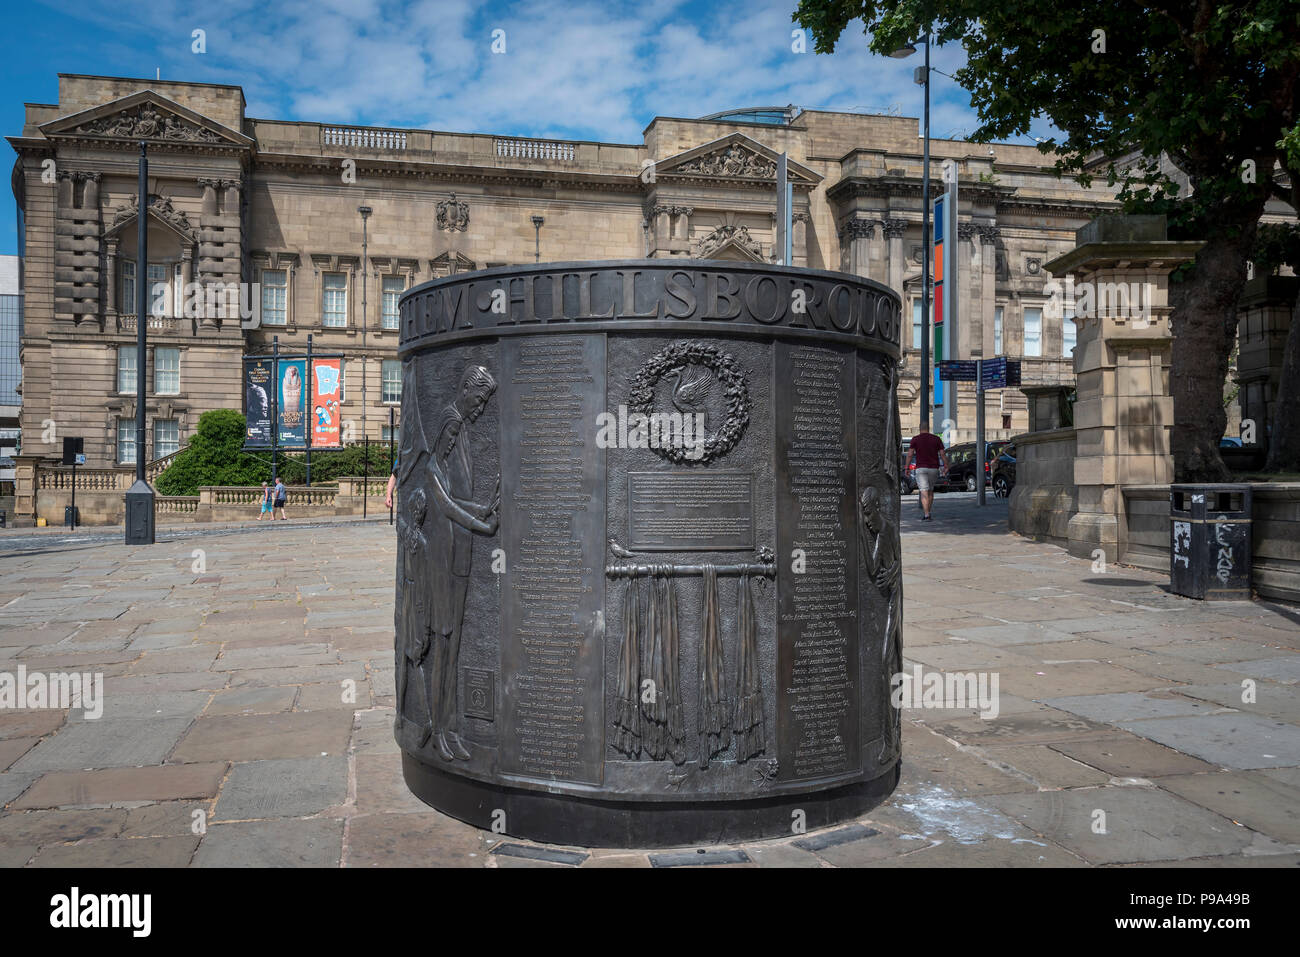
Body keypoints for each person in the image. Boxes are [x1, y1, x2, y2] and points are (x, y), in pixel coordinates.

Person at [906, 425, 949, 521]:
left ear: (920, 428)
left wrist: (907, 468)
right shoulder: (936, 439)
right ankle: (928, 512)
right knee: (930, 490)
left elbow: (909, 454)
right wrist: (946, 466)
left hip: (921, 469)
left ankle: (926, 514)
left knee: (924, 491)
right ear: (928, 428)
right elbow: (942, 454)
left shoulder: (915, 439)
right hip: (934, 468)